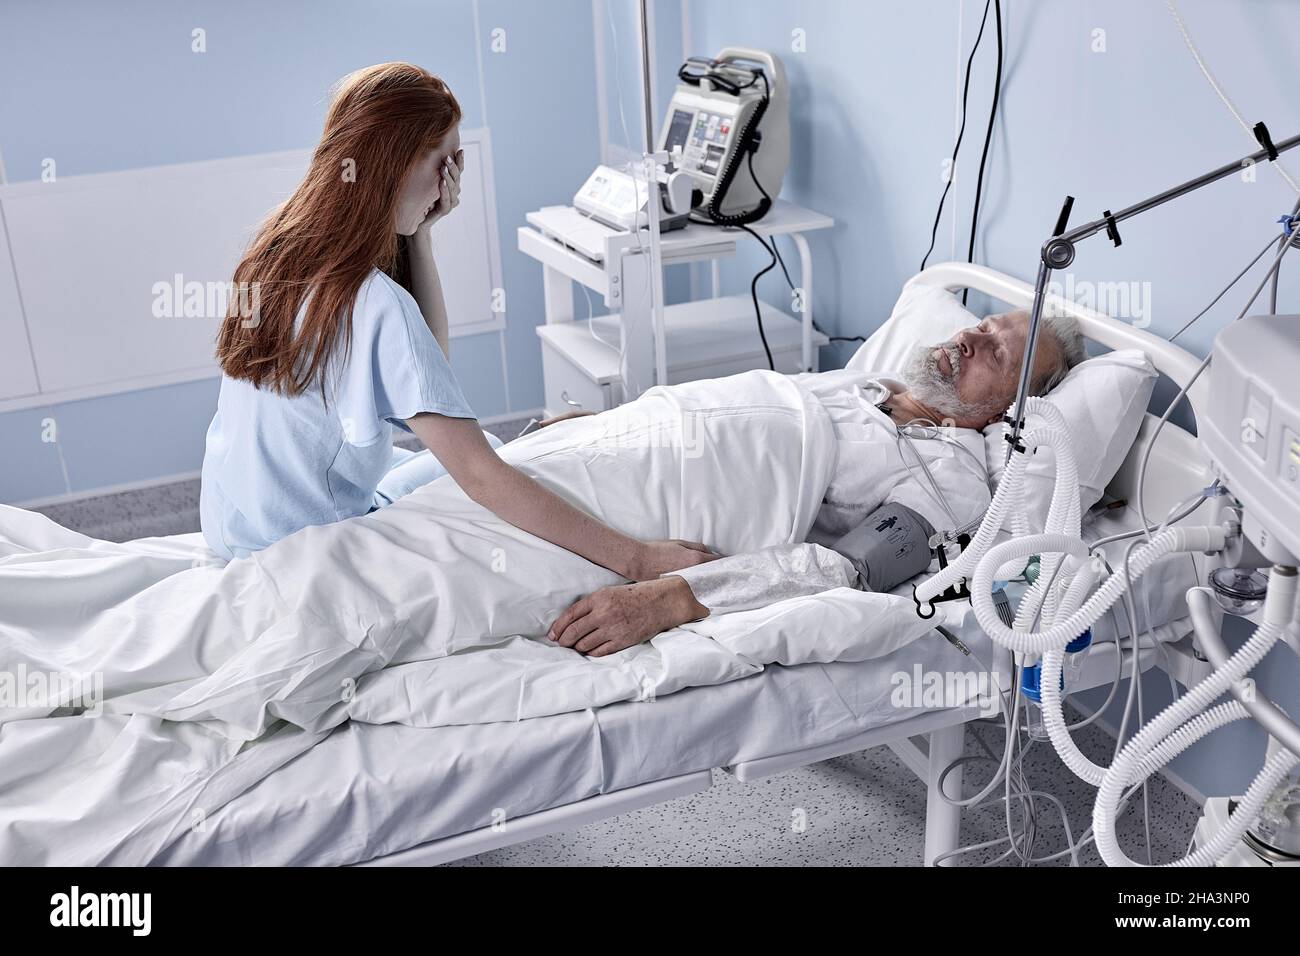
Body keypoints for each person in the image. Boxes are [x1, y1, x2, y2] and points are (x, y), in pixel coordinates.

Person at [199, 63, 714, 586]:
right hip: (306, 543)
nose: (451, 182)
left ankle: (522, 444)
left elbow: (426, 375)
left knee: (488, 445)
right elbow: (478, 475)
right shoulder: (373, 301)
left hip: (235, 522)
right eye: (445, 161)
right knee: (488, 466)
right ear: (397, 164)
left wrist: (419, 235)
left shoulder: (279, 246)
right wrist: (637, 559)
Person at [547, 308, 1086, 656]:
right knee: (486, 483)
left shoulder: (952, 480)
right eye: (986, 325)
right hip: (625, 439)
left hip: (651, 512)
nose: (969, 336)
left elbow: (839, 571)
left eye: (997, 354)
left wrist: (669, 601)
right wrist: (606, 422)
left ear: (1008, 412)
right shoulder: (867, 384)